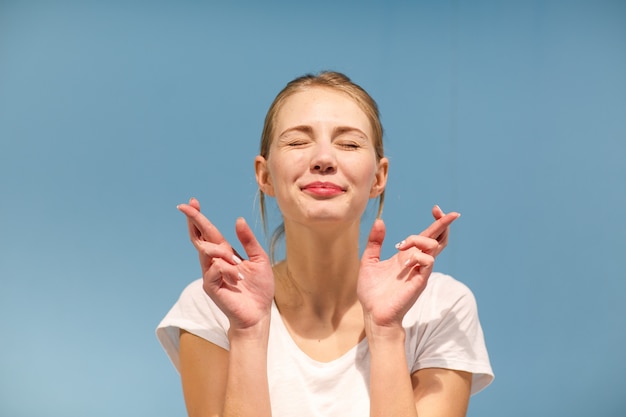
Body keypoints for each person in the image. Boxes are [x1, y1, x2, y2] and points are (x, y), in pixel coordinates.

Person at [157, 71, 493, 417]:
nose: (323, 159)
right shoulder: (212, 305)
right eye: (298, 142)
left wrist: (386, 331)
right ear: (265, 174)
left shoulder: (441, 306)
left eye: (348, 143)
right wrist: (248, 333)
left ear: (379, 177)